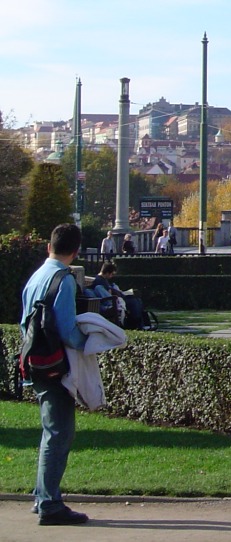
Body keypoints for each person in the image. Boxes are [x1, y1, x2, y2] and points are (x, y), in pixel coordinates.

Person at [20, 223, 90, 526]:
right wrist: (90, 342)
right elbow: (67, 330)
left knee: (52, 430)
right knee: (59, 432)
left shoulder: (37, 276)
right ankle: (49, 504)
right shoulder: (64, 280)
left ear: (50, 246)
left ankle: (42, 496)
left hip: (34, 360)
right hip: (54, 364)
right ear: (75, 252)